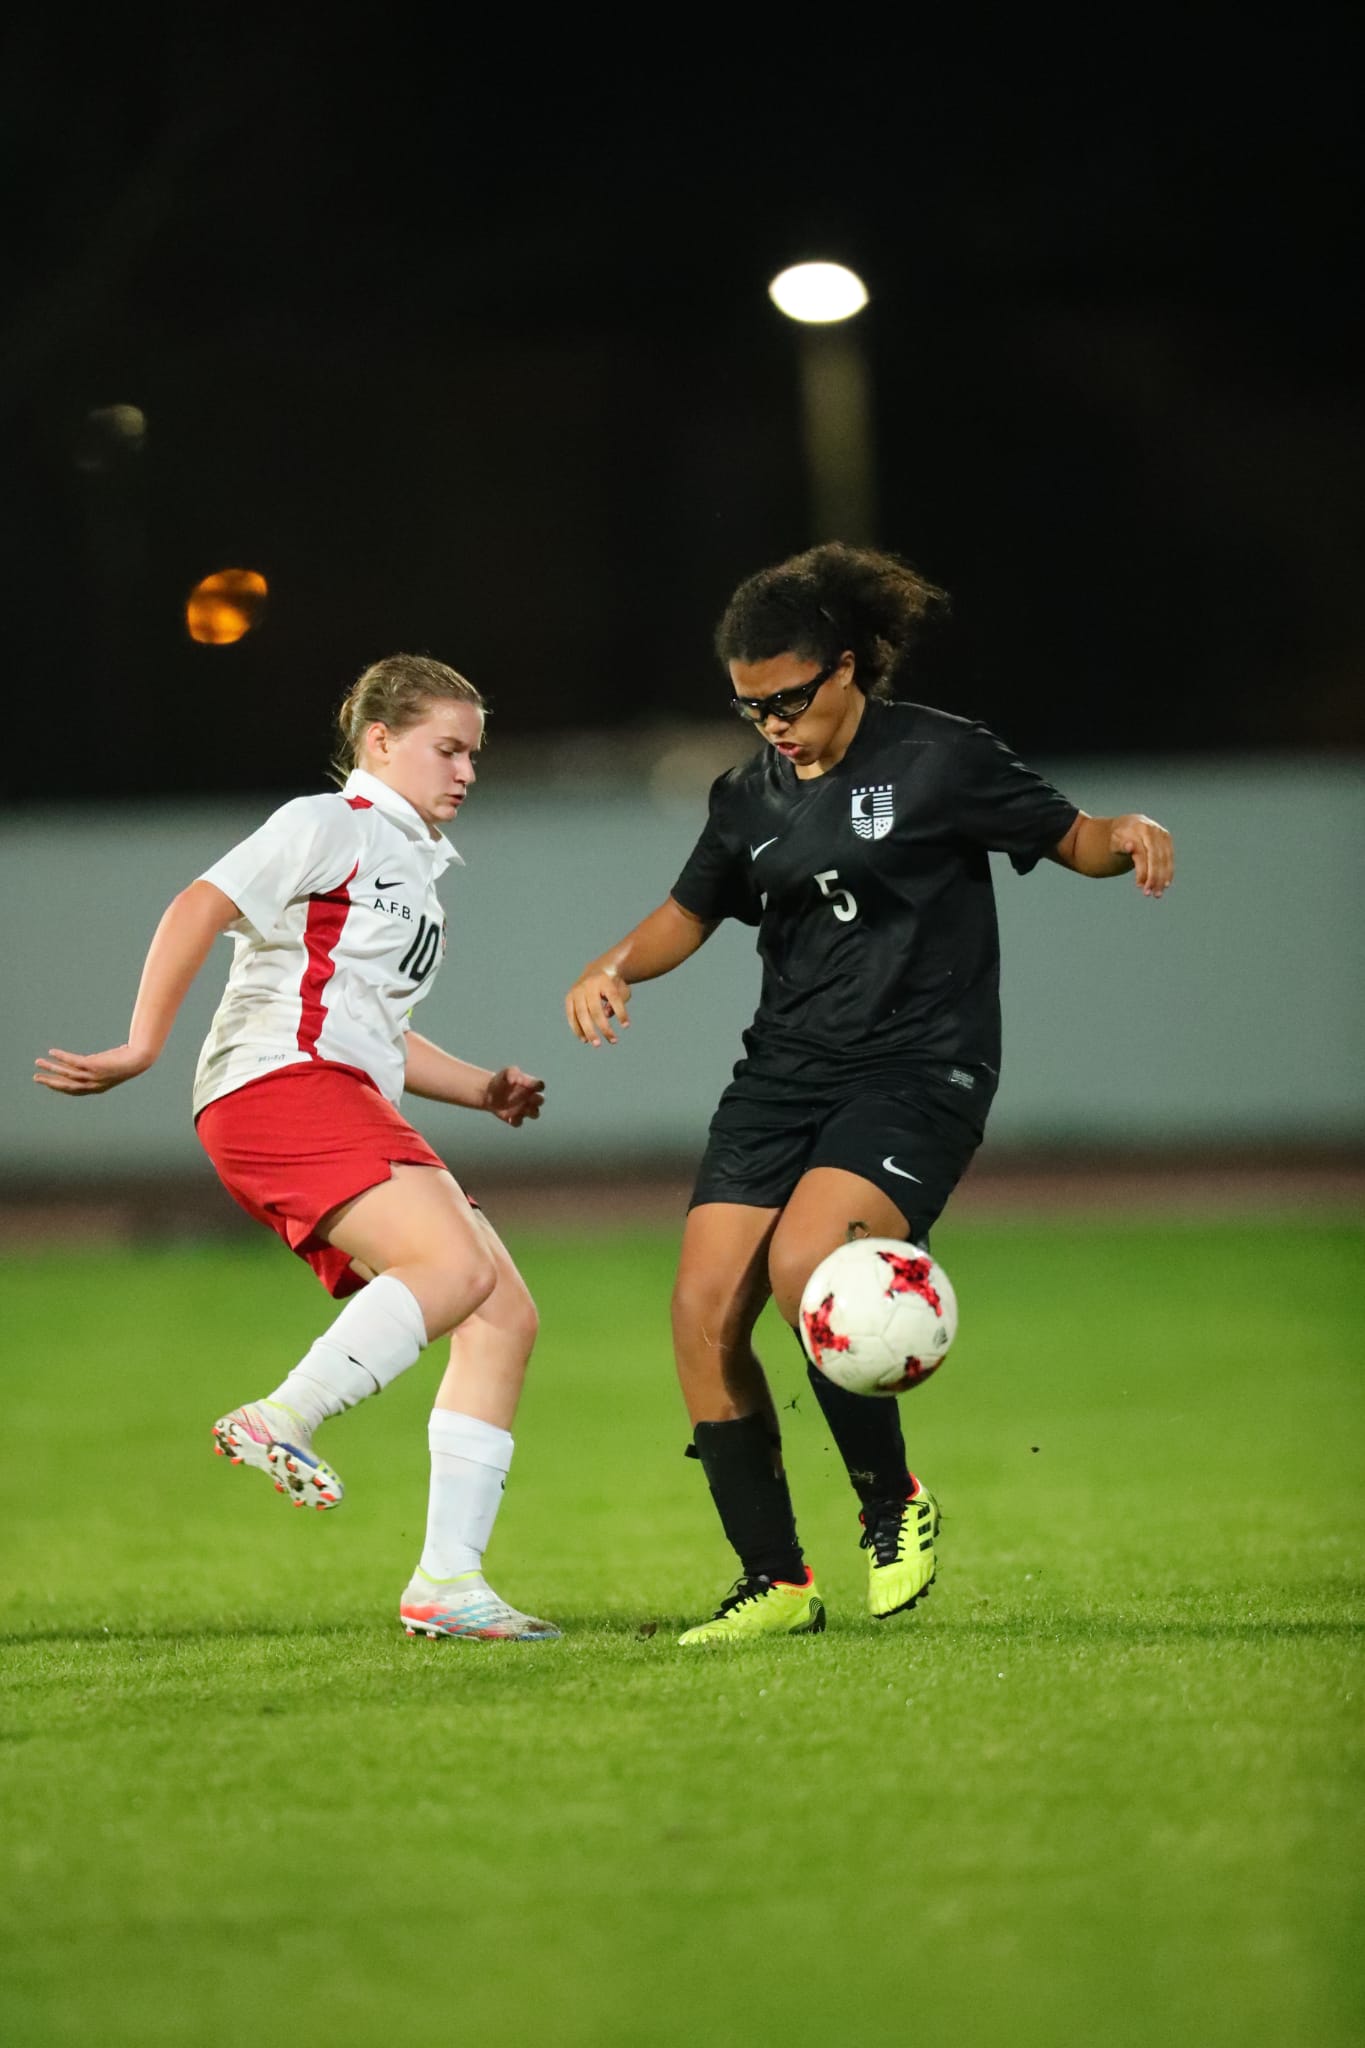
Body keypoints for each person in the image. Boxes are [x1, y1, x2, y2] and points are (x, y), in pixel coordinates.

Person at [565, 544, 1174, 1645]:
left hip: (916, 1069)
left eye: (791, 697)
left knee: (812, 1265)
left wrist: (1122, 835)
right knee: (701, 1313)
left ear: (847, 667)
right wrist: (612, 964)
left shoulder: (941, 757)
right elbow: (686, 912)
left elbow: (1066, 835)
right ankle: (775, 1583)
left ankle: (892, 1505)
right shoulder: (746, 793)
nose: (773, 723)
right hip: (782, 1074)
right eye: (751, 705)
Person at [35, 653, 558, 1643]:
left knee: (501, 1312)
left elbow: (374, 1026)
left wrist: (481, 1087)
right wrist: (143, 1041)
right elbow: (200, 903)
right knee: (448, 1264)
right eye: (448, 748)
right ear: (379, 741)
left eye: (474, 754)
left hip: (337, 1086)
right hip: (278, 1085)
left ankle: (448, 1580)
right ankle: (285, 1414)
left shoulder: (418, 870)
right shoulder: (329, 824)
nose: (467, 771)